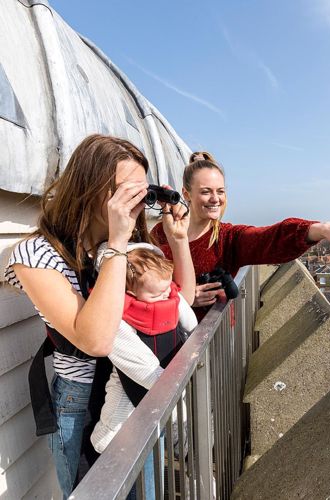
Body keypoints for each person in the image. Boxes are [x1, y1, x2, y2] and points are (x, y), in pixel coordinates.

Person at [4, 134, 192, 499]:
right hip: (81, 401)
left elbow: (171, 306)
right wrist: (119, 244)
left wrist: (177, 240)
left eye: (141, 193)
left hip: (135, 384)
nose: (136, 204)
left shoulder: (130, 245)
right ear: (90, 190)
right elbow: (95, 339)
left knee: (144, 491)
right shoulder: (35, 254)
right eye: (126, 192)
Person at [151, 155, 330, 316]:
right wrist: (182, 300)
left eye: (220, 191)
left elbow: (272, 237)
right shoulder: (160, 233)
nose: (215, 198)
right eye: (205, 191)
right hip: (169, 344)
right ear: (186, 194)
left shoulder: (228, 238)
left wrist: (321, 229)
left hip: (209, 353)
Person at [90, 243, 197, 454]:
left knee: (168, 420)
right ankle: (108, 442)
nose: (166, 296)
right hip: (133, 378)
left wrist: (194, 339)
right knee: (119, 411)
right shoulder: (118, 313)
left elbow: (190, 323)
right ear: (129, 290)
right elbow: (134, 359)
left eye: (167, 289)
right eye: (156, 295)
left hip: (168, 371)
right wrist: (165, 382)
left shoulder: (167, 293)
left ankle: (176, 442)